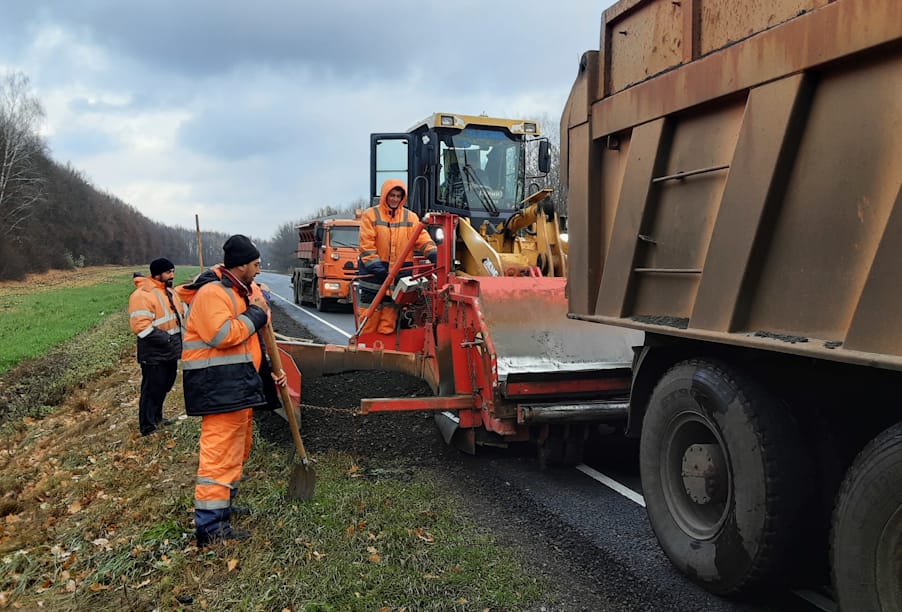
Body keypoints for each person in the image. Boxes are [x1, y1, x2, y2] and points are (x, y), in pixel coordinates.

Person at [179, 235, 286, 546]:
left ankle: (224, 508)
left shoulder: (239, 292)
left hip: (236, 385)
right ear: (240, 266)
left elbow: (250, 342)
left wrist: (267, 375)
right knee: (219, 455)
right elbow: (223, 335)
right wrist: (255, 314)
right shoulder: (212, 294)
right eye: (255, 264)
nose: (259, 270)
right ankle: (211, 527)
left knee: (237, 450)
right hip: (218, 388)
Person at [358, 179, 437, 334]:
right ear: (385, 195)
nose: (394, 199)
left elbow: (422, 239)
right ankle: (366, 351)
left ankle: (384, 353)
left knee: (388, 321)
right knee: (369, 318)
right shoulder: (370, 215)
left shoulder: (411, 218)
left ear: (402, 198)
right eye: (392, 195)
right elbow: (366, 246)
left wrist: (434, 254)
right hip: (373, 278)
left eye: (398, 196)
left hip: (397, 280)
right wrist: (378, 269)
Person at [127, 257, 186, 436]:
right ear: (157, 274)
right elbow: (141, 327)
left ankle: (158, 419)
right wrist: (168, 340)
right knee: (152, 389)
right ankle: (148, 427)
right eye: (169, 272)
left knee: (164, 386)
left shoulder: (169, 291)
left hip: (170, 351)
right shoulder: (142, 295)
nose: (172, 275)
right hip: (154, 353)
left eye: (173, 271)